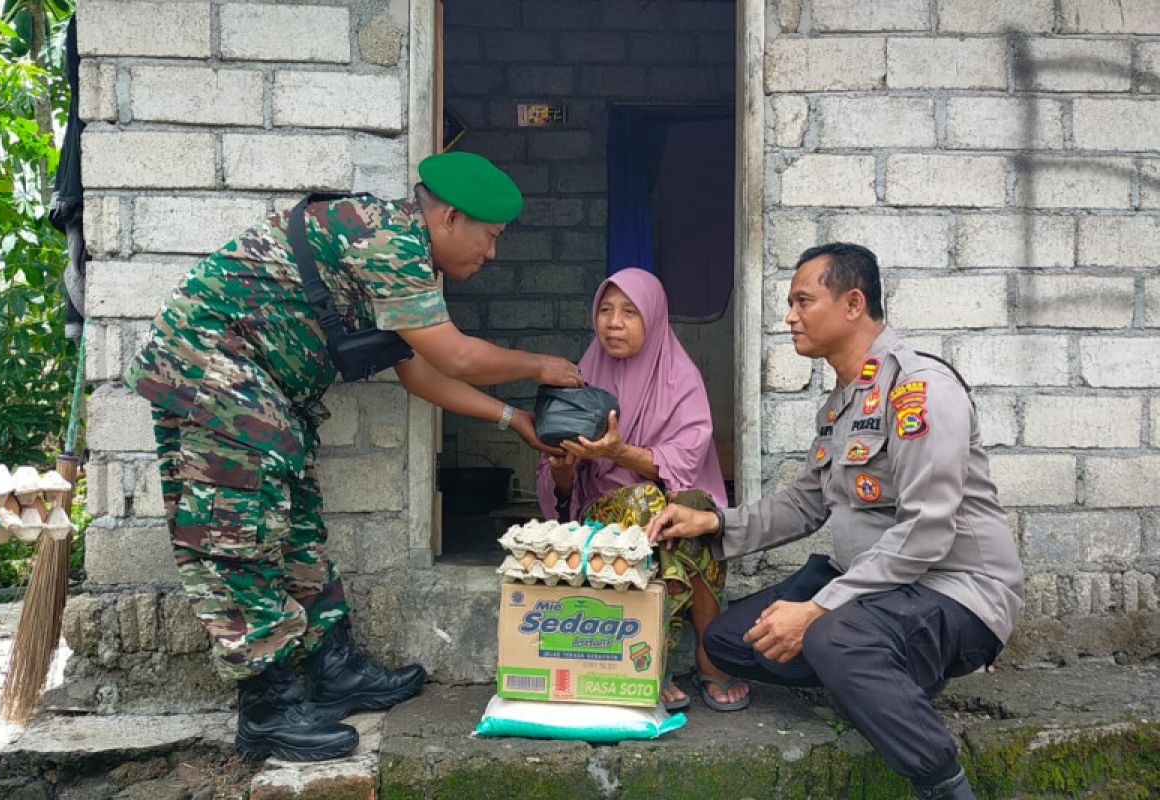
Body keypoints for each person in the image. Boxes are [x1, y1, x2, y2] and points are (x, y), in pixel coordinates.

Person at [125, 152, 582, 762]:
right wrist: (539, 365)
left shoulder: (397, 253)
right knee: (236, 535)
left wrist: (512, 417)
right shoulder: (389, 239)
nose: (492, 254)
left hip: (260, 386)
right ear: (448, 218)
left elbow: (419, 375)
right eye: (489, 237)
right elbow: (457, 357)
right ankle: (267, 705)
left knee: (297, 527)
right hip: (210, 368)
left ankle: (330, 668)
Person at [645, 243, 1023, 799]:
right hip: (877, 592)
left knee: (828, 634)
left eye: (802, 301)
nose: (789, 316)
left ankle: (943, 781)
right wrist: (715, 525)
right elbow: (805, 502)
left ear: (852, 304)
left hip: (955, 593)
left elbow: (927, 532)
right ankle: (883, 676)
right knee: (731, 640)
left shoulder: (917, 390)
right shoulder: (844, 403)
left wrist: (819, 609)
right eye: (789, 303)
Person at [535, 268, 749, 713]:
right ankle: (685, 662)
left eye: (629, 312)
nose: (614, 322)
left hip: (671, 509)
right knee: (650, 508)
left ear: (652, 318)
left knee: (684, 516)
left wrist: (619, 452)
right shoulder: (582, 378)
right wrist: (565, 469)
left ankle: (677, 659)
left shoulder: (681, 376)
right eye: (606, 310)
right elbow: (560, 491)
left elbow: (686, 463)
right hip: (605, 513)